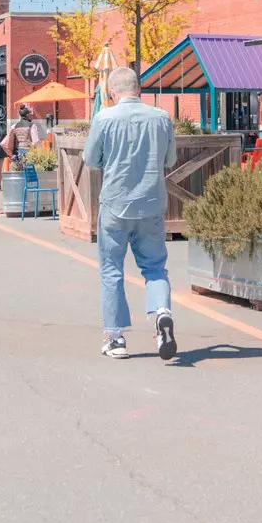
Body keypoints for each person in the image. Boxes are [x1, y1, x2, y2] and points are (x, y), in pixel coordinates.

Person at [81, 66, 178, 360]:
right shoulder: (161, 118)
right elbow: (170, 159)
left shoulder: (104, 117)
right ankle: (161, 312)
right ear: (139, 89)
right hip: (151, 202)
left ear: (111, 92)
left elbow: (90, 159)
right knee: (155, 267)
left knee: (112, 270)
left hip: (115, 203)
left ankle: (116, 338)